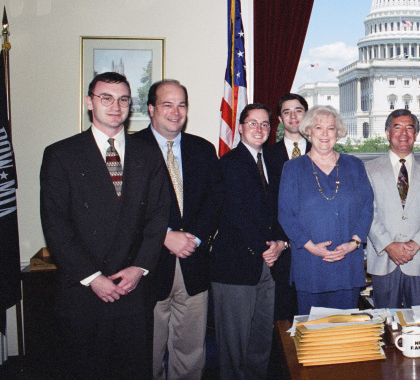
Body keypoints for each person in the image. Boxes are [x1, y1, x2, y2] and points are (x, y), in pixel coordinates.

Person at [40, 72, 170, 379]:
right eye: (106, 98)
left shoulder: (149, 154)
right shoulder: (61, 155)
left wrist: (140, 268)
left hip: (133, 291)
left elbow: (157, 217)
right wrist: (92, 277)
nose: (116, 106)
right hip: (83, 292)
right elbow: (56, 225)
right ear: (89, 102)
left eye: (123, 99)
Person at [133, 80, 221, 380]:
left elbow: (214, 200)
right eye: (167, 104)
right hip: (147, 268)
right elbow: (125, 210)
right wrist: (165, 236)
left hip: (194, 265)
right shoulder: (131, 149)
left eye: (181, 104)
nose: (175, 111)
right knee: (147, 353)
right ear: (151, 109)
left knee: (191, 351)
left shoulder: (203, 149)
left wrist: (193, 237)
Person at [211, 103, 288, 379]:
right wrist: (264, 249)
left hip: (268, 265)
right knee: (234, 347)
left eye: (265, 124)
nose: (259, 129)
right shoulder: (228, 164)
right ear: (240, 128)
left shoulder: (274, 163)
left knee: (260, 343)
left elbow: (280, 209)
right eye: (252, 123)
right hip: (236, 267)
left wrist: (279, 242)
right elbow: (234, 212)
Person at [278, 105, 374, 314]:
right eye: (318, 127)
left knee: (344, 334)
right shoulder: (293, 168)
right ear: (308, 131)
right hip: (310, 264)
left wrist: (354, 243)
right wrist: (311, 247)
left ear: (337, 133)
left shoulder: (355, 165)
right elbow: (285, 214)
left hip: (347, 262)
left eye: (330, 128)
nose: (324, 133)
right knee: (314, 337)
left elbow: (367, 207)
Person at [365, 109, 420, 309]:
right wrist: (389, 245)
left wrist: (417, 244)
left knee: (418, 322)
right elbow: (366, 211)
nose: (404, 133)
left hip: (418, 259)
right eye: (397, 127)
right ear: (387, 133)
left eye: (409, 128)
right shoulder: (369, 169)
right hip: (384, 258)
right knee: (386, 324)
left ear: (416, 135)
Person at [263, 93, 310, 321]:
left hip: (317, 248)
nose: (293, 116)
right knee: (283, 316)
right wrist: (282, 241)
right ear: (280, 120)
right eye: (286, 112)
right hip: (282, 250)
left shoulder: (323, 152)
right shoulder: (266, 156)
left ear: (307, 115)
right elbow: (268, 204)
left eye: (298, 110)